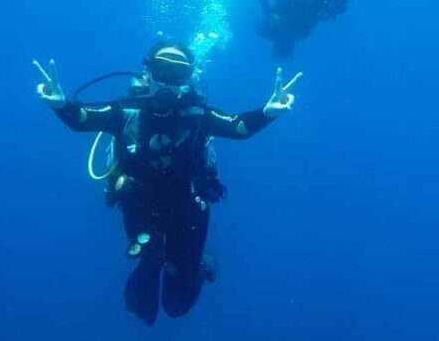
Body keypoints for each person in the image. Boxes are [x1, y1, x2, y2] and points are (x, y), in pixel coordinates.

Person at [33, 41, 300, 325]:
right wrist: (60, 104)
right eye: (162, 70)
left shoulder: (198, 116)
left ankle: (200, 267)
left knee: (176, 305)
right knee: (146, 278)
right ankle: (157, 260)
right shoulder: (126, 111)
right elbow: (83, 119)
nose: (169, 81)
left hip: (189, 210)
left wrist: (269, 111)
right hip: (138, 205)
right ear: (148, 72)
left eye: (178, 73)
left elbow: (238, 127)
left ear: (189, 78)